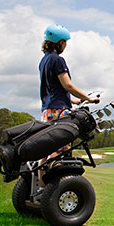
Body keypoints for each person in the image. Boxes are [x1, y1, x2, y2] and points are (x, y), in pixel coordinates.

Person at [38, 24, 98, 181]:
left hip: (47, 111)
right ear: (60, 43)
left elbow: (55, 89)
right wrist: (89, 98)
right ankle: (55, 183)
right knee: (60, 148)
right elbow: (68, 85)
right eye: (65, 42)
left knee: (47, 149)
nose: (65, 46)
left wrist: (76, 100)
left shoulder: (44, 61)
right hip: (59, 111)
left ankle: (42, 187)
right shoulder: (58, 60)